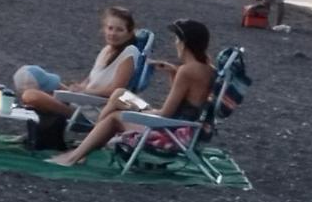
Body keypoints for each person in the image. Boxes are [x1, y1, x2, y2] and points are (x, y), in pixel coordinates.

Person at [50, 19, 214, 167]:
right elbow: (186, 103)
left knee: (115, 117)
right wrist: (172, 73)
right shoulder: (207, 69)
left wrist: (137, 112)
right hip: (184, 126)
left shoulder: (187, 71)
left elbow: (166, 112)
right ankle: (89, 145)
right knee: (121, 94)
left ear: (185, 43)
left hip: (173, 132)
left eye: (177, 39)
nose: (175, 44)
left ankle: (75, 156)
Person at [13, 6, 141, 119]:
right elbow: (91, 79)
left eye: (119, 30)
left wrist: (85, 92)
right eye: (110, 28)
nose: (113, 33)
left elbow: (115, 91)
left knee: (31, 95)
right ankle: (43, 123)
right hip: (82, 100)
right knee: (29, 73)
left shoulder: (129, 52)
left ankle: (53, 119)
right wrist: (79, 87)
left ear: (129, 33)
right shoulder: (107, 50)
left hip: (93, 109)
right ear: (104, 29)